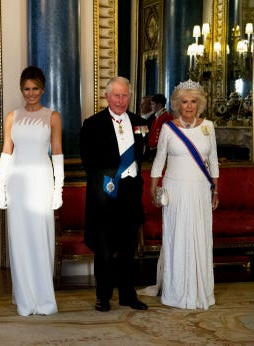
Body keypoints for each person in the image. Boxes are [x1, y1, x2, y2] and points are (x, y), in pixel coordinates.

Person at [140, 79, 219, 310]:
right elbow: (159, 160)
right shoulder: (168, 128)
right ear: (177, 104)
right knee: (177, 238)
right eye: (185, 102)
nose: (189, 106)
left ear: (200, 103)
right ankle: (176, 292)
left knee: (199, 237)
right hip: (175, 191)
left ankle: (199, 290)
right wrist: (153, 187)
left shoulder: (209, 127)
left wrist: (216, 189)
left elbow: (213, 161)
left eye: (194, 101)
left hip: (200, 191)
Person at [0, 66, 63, 316]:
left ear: (42, 89)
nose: (31, 93)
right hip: (18, 183)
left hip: (42, 182)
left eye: (35, 88)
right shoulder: (12, 117)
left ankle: (44, 300)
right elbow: (6, 153)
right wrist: (0, 188)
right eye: (26, 89)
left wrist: (58, 190)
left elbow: (57, 154)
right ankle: (25, 299)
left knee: (41, 239)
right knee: (20, 241)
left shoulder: (52, 116)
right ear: (21, 90)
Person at [79, 76, 148, 313]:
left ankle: (128, 295)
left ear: (130, 96)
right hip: (106, 192)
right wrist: (107, 182)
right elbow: (87, 161)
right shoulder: (93, 124)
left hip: (130, 193)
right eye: (116, 95)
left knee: (128, 247)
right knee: (105, 249)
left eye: (125, 95)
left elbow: (142, 156)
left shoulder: (140, 123)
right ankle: (103, 296)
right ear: (107, 97)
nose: (120, 100)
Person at [146, 93, 173, 160]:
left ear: (159, 105)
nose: (151, 107)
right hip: (154, 149)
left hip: (160, 150)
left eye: (153, 104)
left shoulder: (167, 117)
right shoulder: (157, 117)